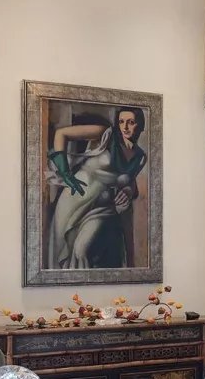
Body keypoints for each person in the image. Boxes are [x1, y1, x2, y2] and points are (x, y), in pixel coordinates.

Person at [45, 106, 149, 270]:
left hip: (102, 207)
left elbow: (129, 181)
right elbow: (61, 134)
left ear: (140, 125)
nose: (125, 127)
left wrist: (128, 191)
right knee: (63, 250)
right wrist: (65, 172)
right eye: (121, 122)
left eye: (131, 122)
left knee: (81, 250)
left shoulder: (140, 157)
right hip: (74, 199)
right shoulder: (105, 134)